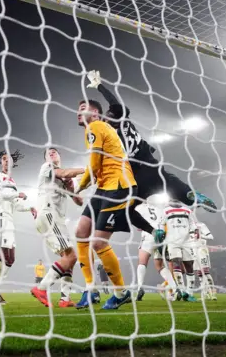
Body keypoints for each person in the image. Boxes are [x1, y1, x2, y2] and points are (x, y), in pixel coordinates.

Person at [74, 99, 162, 310]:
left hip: (119, 186)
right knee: (81, 232)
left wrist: (82, 184)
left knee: (98, 243)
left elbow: (94, 162)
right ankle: (90, 288)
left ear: (95, 113)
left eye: (83, 109)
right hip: (105, 187)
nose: (78, 112)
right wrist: (84, 185)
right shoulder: (97, 129)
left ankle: (120, 293)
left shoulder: (95, 126)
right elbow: (94, 163)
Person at [85, 70, 216, 212]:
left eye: (106, 116)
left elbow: (113, 106)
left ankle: (137, 222)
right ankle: (193, 196)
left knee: (126, 208)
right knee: (169, 182)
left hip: (137, 174)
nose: (105, 118)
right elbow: (114, 103)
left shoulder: (110, 134)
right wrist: (100, 86)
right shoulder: (124, 122)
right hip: (150, 163)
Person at [0, 149, 37, 305]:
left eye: (9, 159)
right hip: (0, 218)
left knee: (10, 258)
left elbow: (17, 205)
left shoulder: (12, 182)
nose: (6, 161)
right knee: (4, 257)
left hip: (9, 220)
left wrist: (30, 207)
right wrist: (16, 195)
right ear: (1, 162)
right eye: (4, 159)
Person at [31, 148, 84, 308]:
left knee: (69, 258)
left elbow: (79, 202)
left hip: (56, 219)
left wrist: (71, 189)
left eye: (54, 152)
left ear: (60, 155)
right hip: (49, 214)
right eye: (48, 153)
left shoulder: (63, 176)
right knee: (71, 256)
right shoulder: (47, 167)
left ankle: (65, 298)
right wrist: (86, 170)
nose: (51, 153)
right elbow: (66, 172)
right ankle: (41, 288)